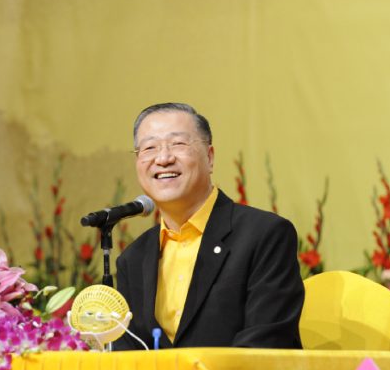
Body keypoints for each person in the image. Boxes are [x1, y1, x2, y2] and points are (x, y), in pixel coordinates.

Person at [112, 102, 304, 350]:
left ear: (210, 157)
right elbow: (130, 354)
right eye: (149, 148)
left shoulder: (264, 235)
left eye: (178, 144)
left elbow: (265, 343)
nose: (163, 158)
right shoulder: (133, 259)